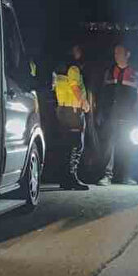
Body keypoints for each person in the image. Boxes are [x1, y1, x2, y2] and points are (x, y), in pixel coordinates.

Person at [96, 44, 138, 185]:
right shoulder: (109, 71)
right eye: (115, 53)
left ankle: (125, 176)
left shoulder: (135, 73)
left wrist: (137, 112)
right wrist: (101, 112)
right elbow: (104, 94)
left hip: (129, 114)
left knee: (128, 144)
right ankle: (107, 176)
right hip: (112, 114)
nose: (116, 55)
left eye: (119, 53)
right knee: (109, 144)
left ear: (127, 54)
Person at [52, 44, 91, 190]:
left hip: (61, 109)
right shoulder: (73, 69)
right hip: (73, 111)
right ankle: (72, 178)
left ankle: (65, 178)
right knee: (76, 145)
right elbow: (75, 86)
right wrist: (84, 102)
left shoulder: (57, 69)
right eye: (78, 50)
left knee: (65, 146)